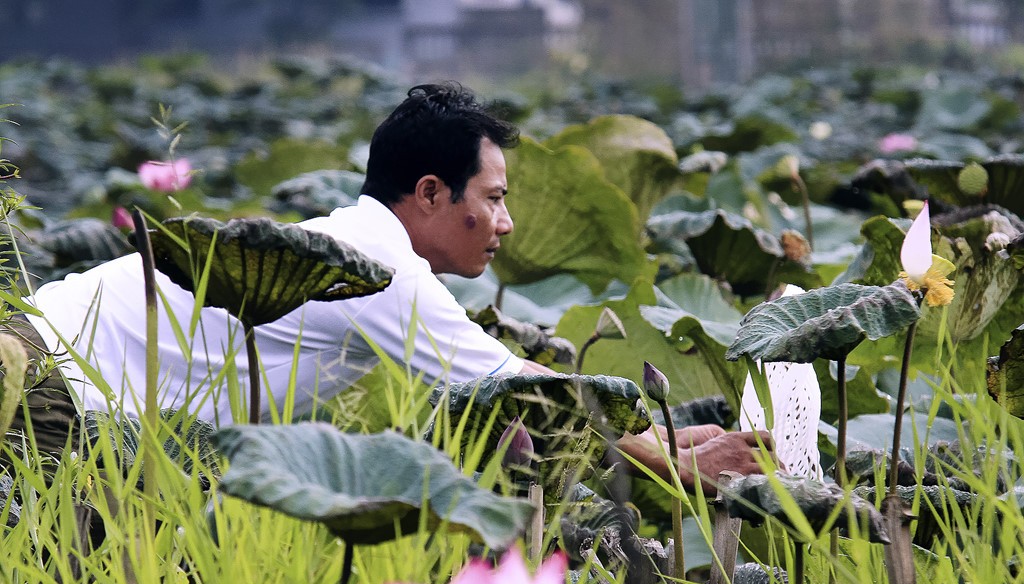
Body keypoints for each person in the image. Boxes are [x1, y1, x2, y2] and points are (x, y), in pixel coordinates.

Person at [7, 82, 771, 491]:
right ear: (433, 193)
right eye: (496, 199)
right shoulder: (382, 268)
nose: (505, 224)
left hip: (48, 358)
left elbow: (509, 375)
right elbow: (517, 390)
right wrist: (680, 466)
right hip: (50, 382)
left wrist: (662, 435)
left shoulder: (361, 242)